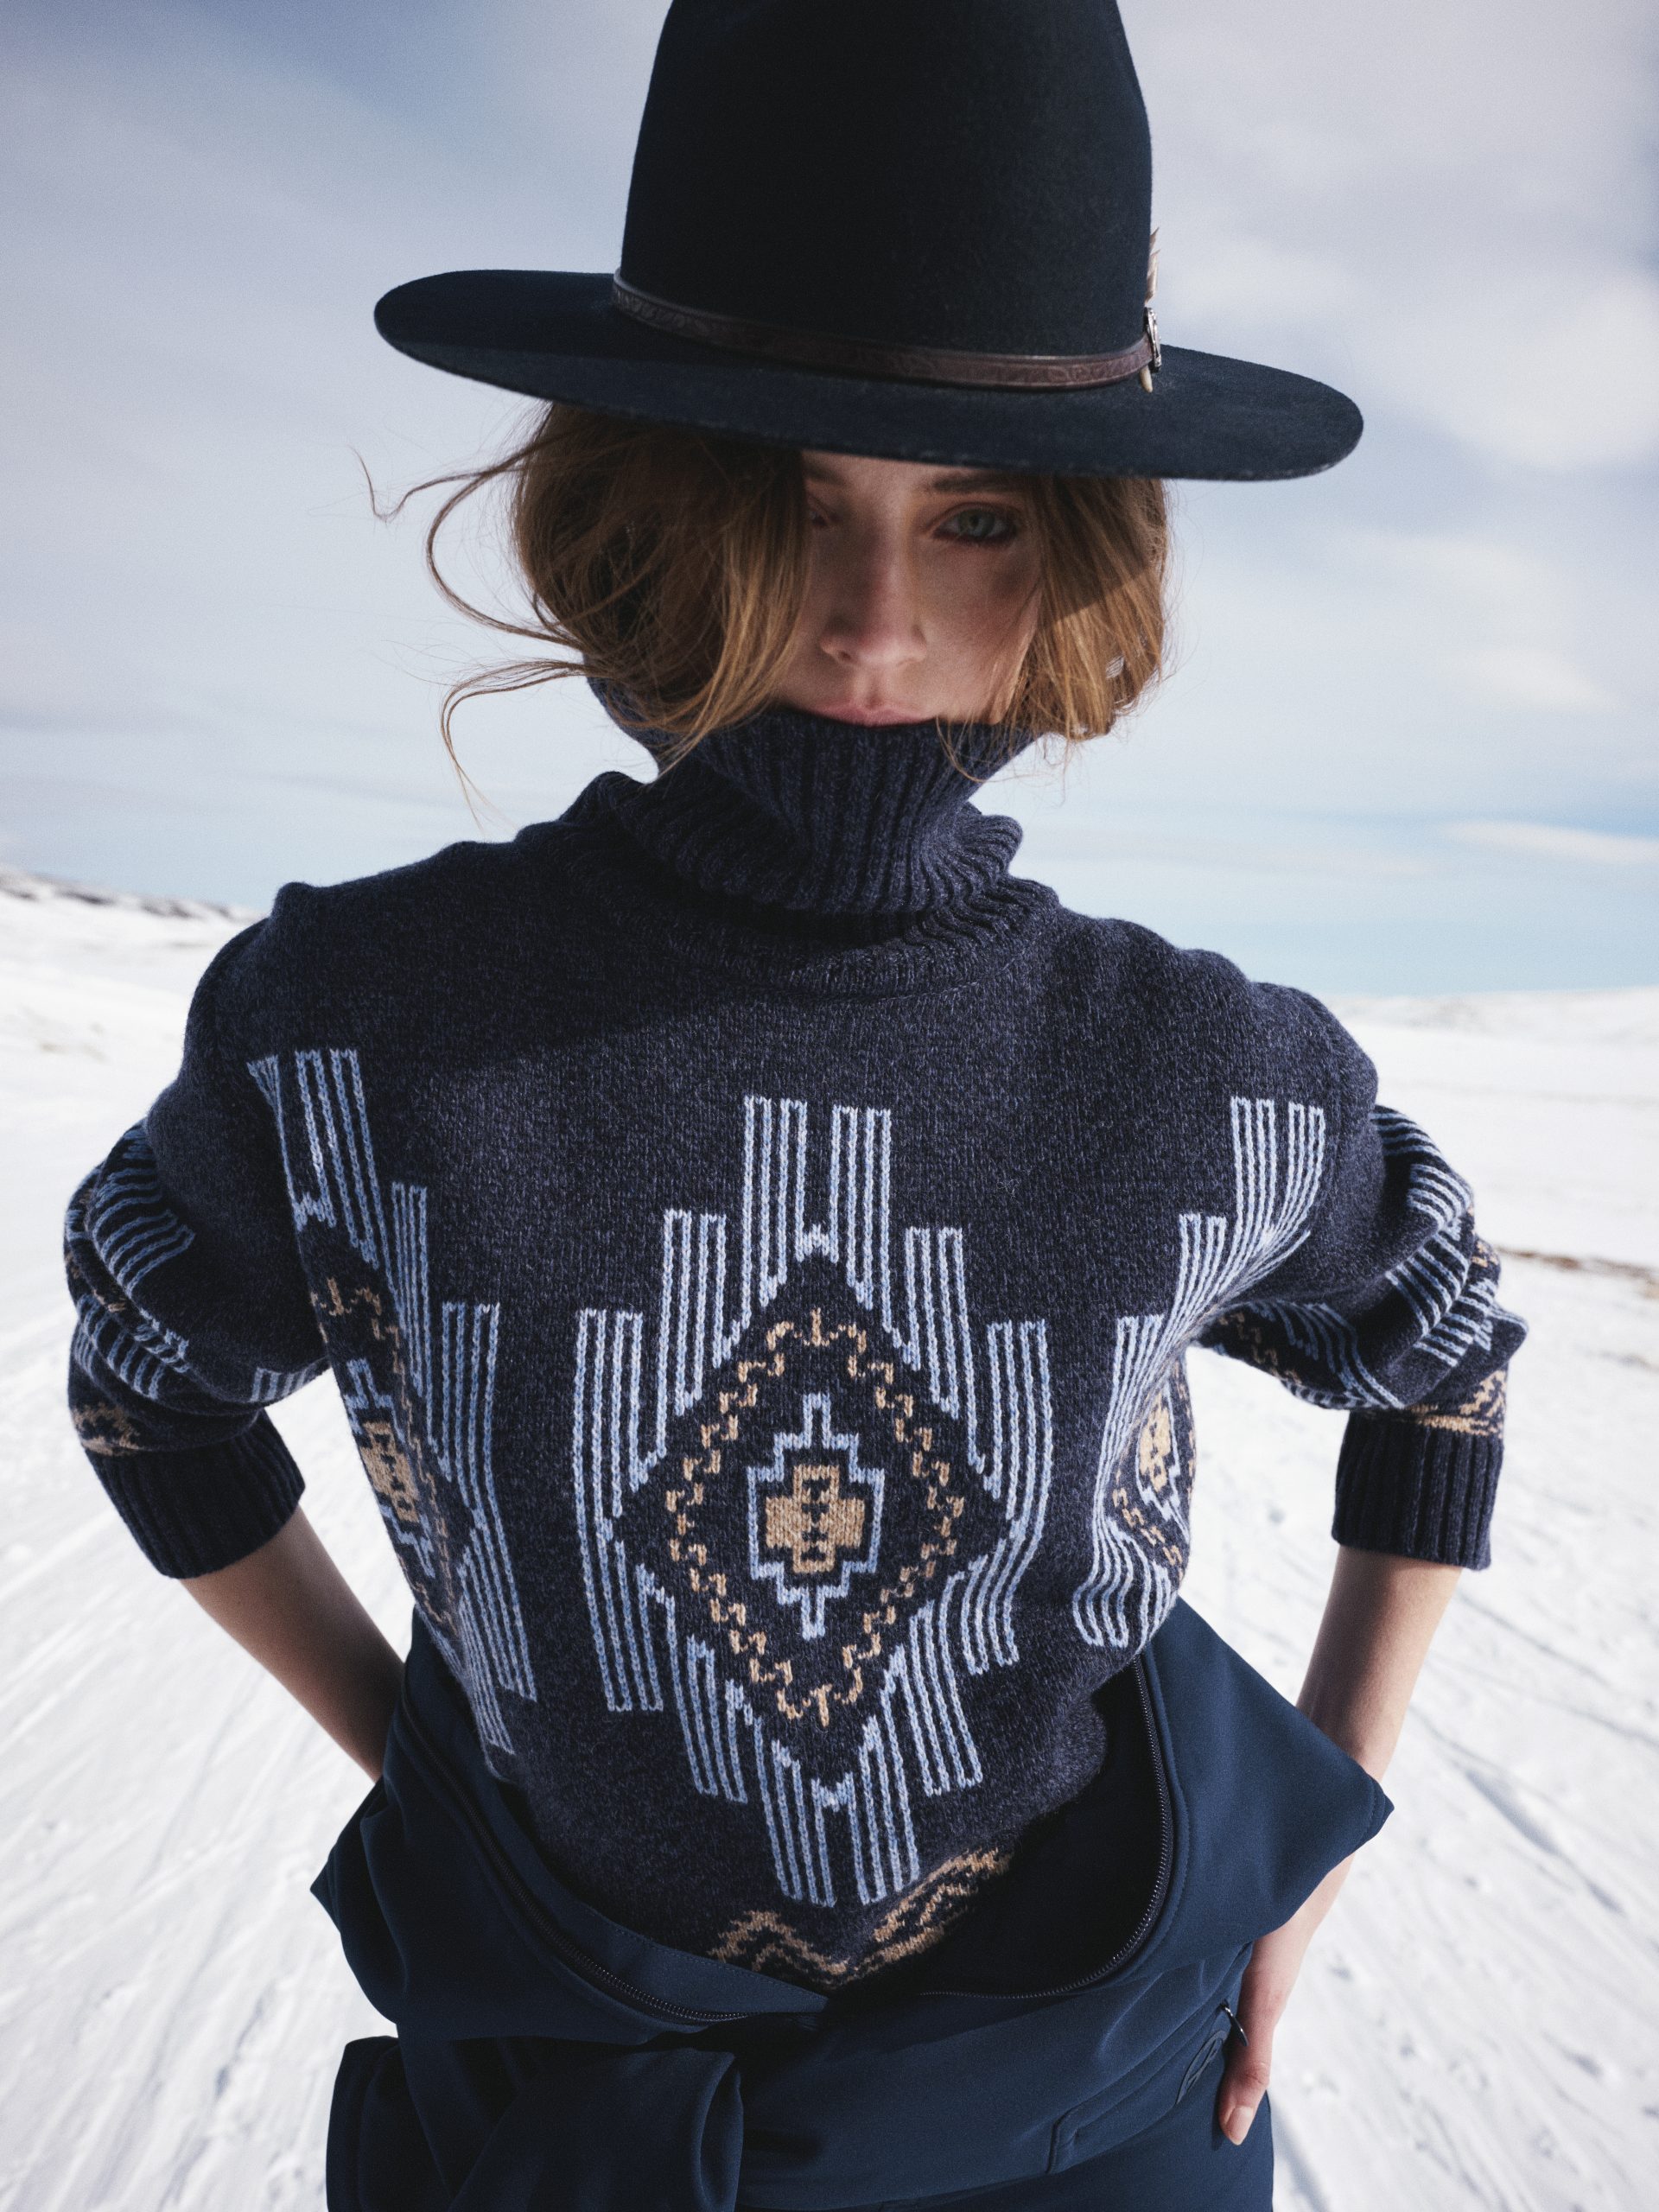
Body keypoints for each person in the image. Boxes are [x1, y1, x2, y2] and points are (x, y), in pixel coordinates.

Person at [61, 3, 1525, 2206]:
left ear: (1084, 555)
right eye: (789, 496)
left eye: (977, 517)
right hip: (566, 2107)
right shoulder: (360, 1032)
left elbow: (1449, 1358)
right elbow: (148, 1377)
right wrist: (418, 1760)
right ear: (645, 502)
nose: (868, 620)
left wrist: (1312, 1840)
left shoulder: (1201, 1070)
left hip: (1103, 2112)